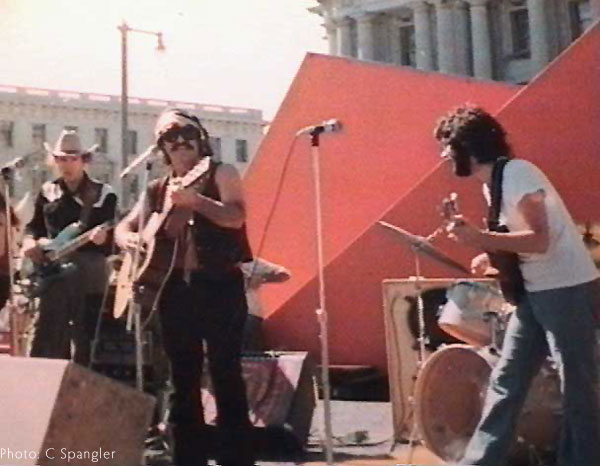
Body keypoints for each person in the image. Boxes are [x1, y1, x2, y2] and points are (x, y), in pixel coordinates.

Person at [434, 104, 600, 466]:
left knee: (578, 388)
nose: (444, 155)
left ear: (467, 146)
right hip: (536, 293)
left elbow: (540, 240)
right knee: (507, 380)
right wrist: (486, 253)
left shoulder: (519, 174)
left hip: (566, 288)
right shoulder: (494, 185)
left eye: (447, 146)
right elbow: (518, 243)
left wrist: (481, 237)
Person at [115, 108, 255, 466]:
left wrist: (197, 202)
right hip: (174, 289)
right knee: (182, 379)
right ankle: (187, 458)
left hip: (219, 284)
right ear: (161, 148)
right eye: (169, 139)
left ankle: (236, 458)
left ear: (201, 139)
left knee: (226, 373)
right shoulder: (156, 188)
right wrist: (129, 239)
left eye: (186, 136)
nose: (179, 144)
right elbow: (124, 227)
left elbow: (236, 215)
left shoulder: (221, 172)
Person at [23, 130, 116, 366]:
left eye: (72, 158)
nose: (66, 164)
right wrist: (31, 243)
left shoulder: (103, 194)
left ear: (84, 160)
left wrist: (102, 238)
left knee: (86, 338)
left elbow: (114, 238)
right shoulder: (47, 191)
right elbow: (33, 228)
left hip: (89, 274)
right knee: (48, 332)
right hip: (53, 271)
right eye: (61, 159)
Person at [240, 257, 290, 351]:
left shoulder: (251, 263)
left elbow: (284, 274)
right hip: (223, 314)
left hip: (249, 312)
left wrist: (262, 279)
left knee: (249, 350)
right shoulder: (214, 263)